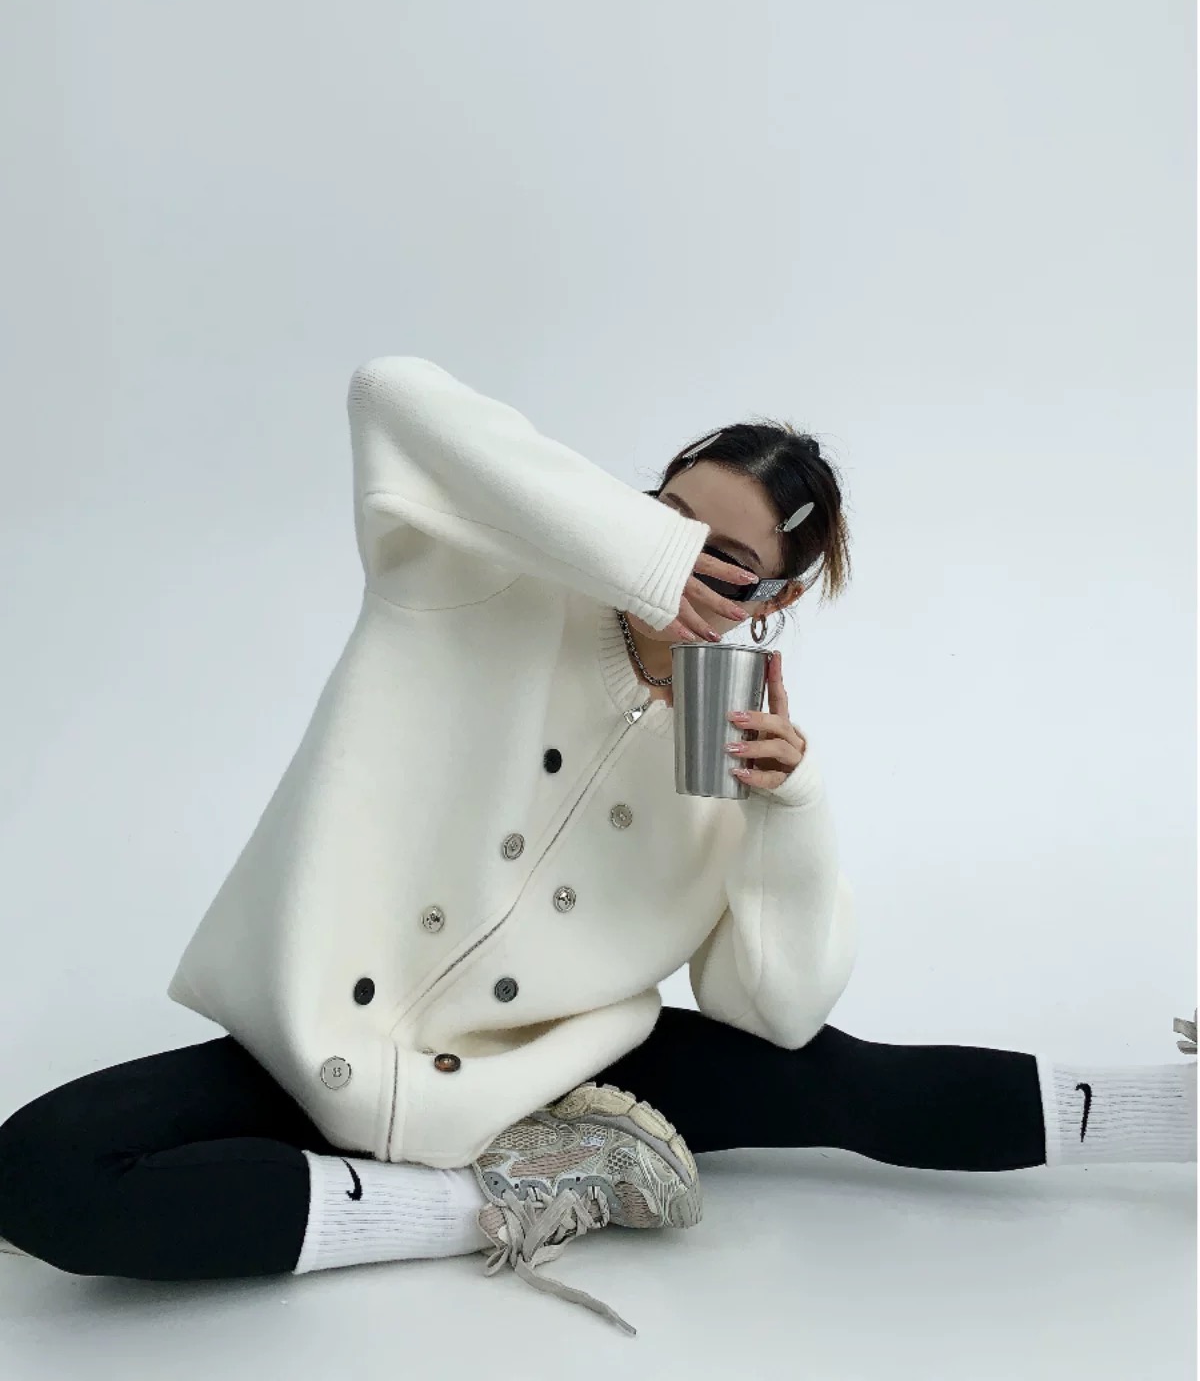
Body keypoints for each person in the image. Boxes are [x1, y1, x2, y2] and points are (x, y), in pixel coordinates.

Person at [0, 357, 1194, 1338]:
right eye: (668, 520)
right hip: (327, 1040)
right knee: (43, 1173)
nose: (683, 563)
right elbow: (390, 393)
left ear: (773, 601)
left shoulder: (730, 759)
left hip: (560, 1067)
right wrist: (641, 553)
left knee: (844, 1082)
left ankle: (1180, 1109)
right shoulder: (476, 580)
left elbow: (771, 1011)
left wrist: (790, 809)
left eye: (726, 563)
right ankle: (496, 1199)